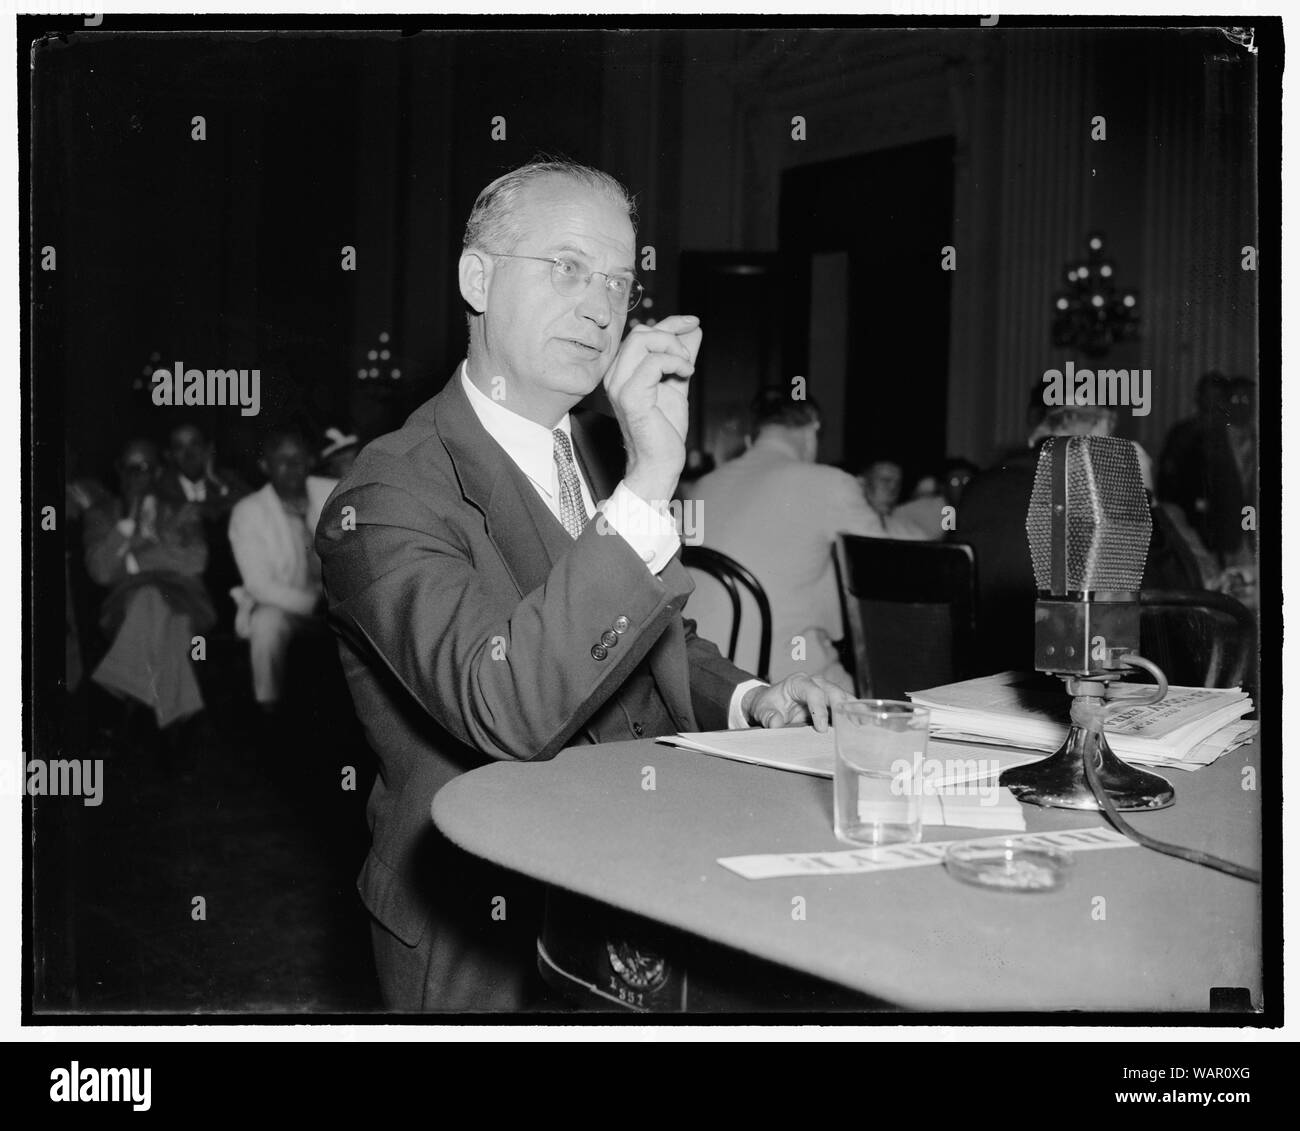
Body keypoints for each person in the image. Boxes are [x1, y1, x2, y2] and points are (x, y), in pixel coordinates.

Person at [316, 159, 848, 1012]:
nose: (603, 306)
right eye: (568, 267)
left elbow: (655, 642)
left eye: (618, 281)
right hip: (492, 935)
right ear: (477, 278)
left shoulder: (600, 449)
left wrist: (750, 699)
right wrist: (649, 485)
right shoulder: (385, 494)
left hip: (652, 881)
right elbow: (503, 703)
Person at [682, 389, 922, 688]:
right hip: (781, 681)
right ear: (812, 429)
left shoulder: (701, 487)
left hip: (704, 679)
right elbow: (893, 569)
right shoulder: (832, 482)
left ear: (750, 440)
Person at [83, 439, 214, 730]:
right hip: (124, 605)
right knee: (155, 607)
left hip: (186, 597)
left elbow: (196, 560)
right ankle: (177, 731)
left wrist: (132, 562)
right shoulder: (100, 515)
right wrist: (128, 522)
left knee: (151, 598)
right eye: (128, 468)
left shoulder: (183, 510)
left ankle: (120, 689)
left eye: (143, 468)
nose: (135, 475)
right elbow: (101, 572)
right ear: (118, 470)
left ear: (157, 473)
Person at [228, 428, 335, 708]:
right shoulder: (248, 511)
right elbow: (258, 584)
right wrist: (314, 605)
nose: (291, 466)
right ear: (265, 466)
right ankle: (269, 708)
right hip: (290, 605)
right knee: (266, 623)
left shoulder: (335, 491)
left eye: (298, 458)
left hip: (343, 601)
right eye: (281, 460)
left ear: (310, 461)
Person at [156, 422, 250, 632]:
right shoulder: (162, 487)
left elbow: (255, 503)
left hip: (236, 576)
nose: (189, 454)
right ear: (170, 455)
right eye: (180, 447)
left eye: (195, 444)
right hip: (193, 580)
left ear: (209, 449)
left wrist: (215, 482)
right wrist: (218, 505)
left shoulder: (227, 479)